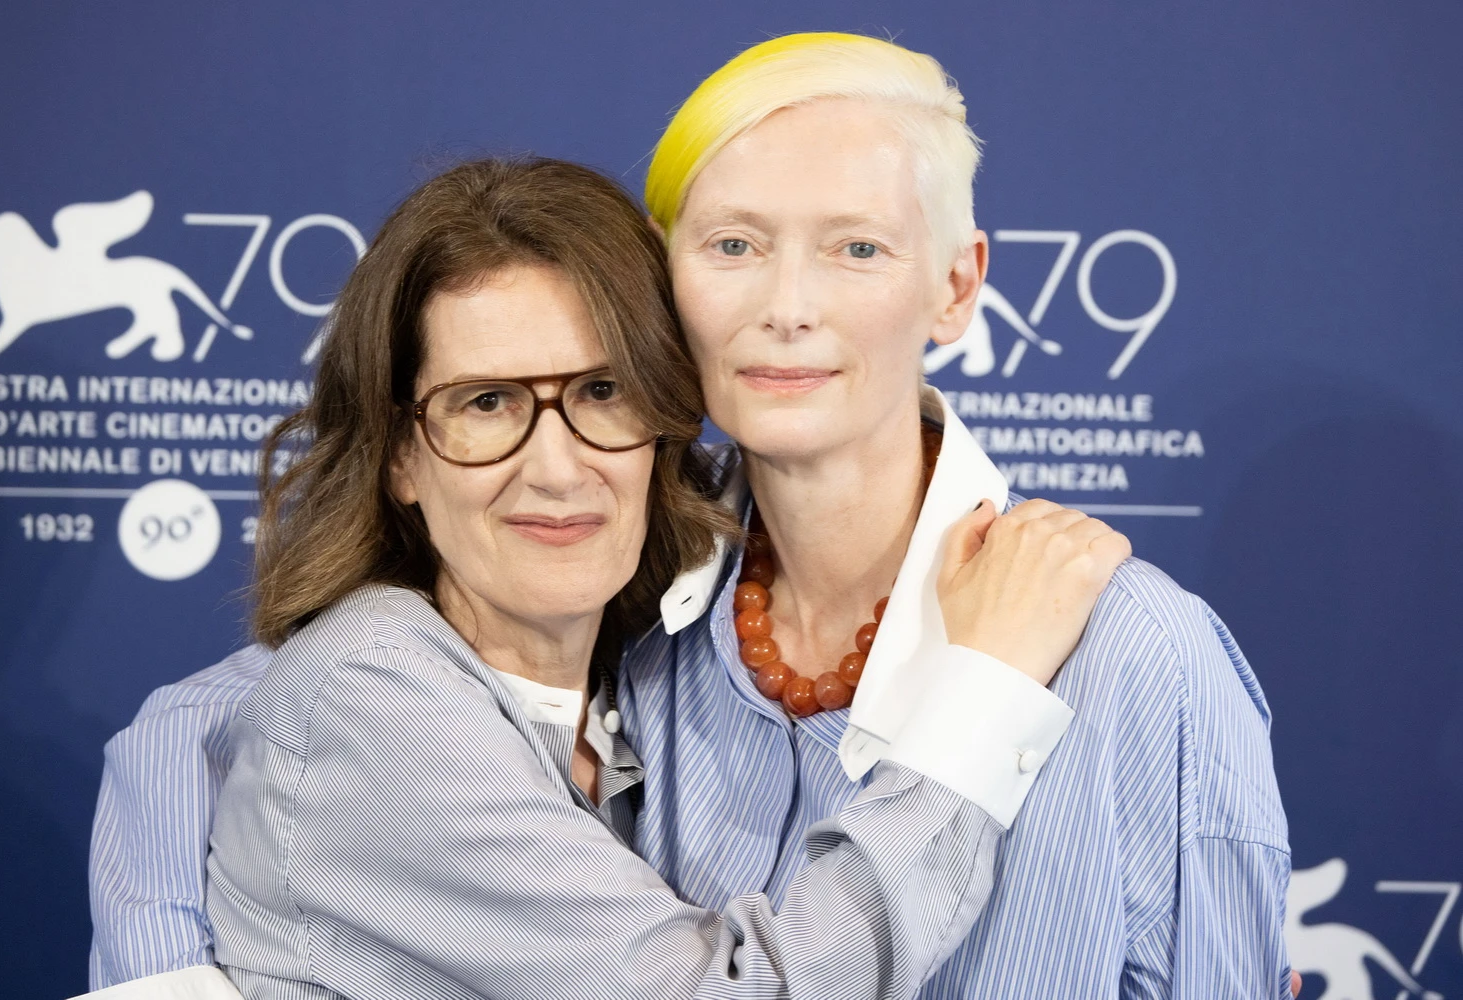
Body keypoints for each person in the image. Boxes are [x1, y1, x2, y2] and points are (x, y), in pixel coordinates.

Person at [88, 30, 1294, 999]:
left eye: (856, 248)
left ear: (955, 284)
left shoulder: (1131, 651)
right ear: (666, 288)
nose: (787, 306)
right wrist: (163, 969)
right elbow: (224, 718)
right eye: (732, 246)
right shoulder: (636, 593)